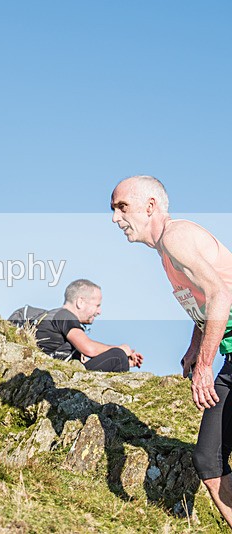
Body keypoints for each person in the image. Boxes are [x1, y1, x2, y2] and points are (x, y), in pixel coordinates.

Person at [111, 175, 232, 526]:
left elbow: (220, 296)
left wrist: (205, 365)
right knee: (208, 460)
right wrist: (195, 348)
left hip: (221, 361)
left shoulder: (176, 237)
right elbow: (207, 303)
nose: (115, 218)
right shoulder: (167, 252)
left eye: (122, 207)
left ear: (150, 207)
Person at [34, 279, 143, 372]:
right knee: (117, 355)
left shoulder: (58, 316)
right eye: (97, 305)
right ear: (80, 302)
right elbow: (89, 348)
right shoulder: (65, 316)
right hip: (60, 376)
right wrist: (121, 349)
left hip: (57, 371)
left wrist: (124, 361)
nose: (99, 311)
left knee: (119, 358)